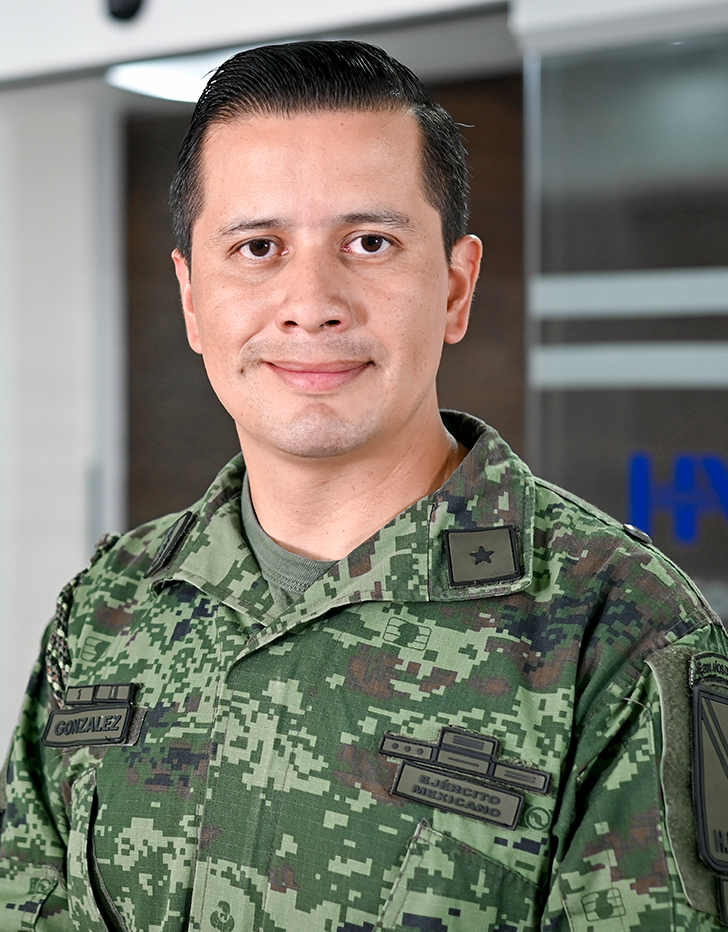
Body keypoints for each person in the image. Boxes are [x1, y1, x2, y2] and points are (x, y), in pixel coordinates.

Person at [1, 39, 727, 932]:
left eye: (371, 242)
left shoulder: (618, 631)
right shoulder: (109, 608)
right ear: (192, 299)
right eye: (258, 246)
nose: (313, 302)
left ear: (457, 288)